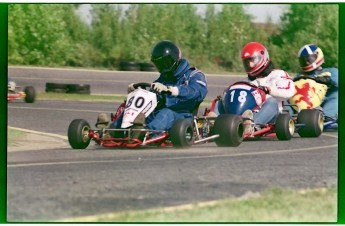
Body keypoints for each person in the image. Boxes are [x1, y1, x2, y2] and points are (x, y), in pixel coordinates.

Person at [97, 40, 208, 139]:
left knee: (166, 113)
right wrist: (136, 91)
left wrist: (171, 90)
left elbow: (198, 92)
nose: (163, 67)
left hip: (182, 115)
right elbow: (152, 96)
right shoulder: (164, 78)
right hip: (158, 112)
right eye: (159, 64)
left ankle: (144, 133)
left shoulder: (194, 75)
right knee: (134, 110)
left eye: (165, 63)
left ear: (175, 59)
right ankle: (112, 131)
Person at [219, 42, 295, 134]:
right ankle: (213, 123)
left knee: (272, 101)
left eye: (252, 60)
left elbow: (289, 91)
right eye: (246, 62)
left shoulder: (277, 74)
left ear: (262, 58)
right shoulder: (246, 82)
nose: (250, 64)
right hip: (244, 111)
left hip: (273, 113)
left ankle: (250, 125)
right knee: (220, 101)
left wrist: (270, 90)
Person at [292, 44, 338, 119]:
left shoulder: (331, 71)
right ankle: (289, 116)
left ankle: (326, 115)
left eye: (309, 59)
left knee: (336, 93)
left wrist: (327, 79)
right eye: (304, 60)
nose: (307, 63)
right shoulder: (299, 76)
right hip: (305, 101)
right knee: (285, 97)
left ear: (318, 56)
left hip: (325, 100)